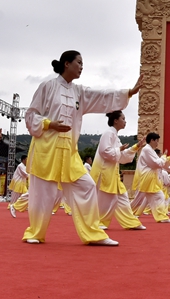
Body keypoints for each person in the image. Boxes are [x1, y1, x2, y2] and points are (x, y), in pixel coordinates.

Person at [22, 50, 140, 245]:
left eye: (82, 63)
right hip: (46, 150)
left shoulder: (79, 92)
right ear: (66, 64)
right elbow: (30, 115)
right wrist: (49, 124)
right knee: (44, 195)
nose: (81, 67)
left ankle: (93, 233)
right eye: (79, 62)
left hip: (69, 151)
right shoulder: (47, 87)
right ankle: (35, 233)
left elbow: (101, 96)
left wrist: (128, 92)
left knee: (87, 186)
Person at [90, 110, 146, 230]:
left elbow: (123, 156)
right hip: (105, 172)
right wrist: (118, 150)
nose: (125, 121)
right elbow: (105, 151)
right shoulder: (108, 133)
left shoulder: (114, 135)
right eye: (123, 119)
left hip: (112, 173)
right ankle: (100, 222)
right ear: (116, 120)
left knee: (122, 197)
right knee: (107, 199)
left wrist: (137, 146)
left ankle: (131, 222)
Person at [132, 133, 170, 223]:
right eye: (157, 141)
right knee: (138, 200)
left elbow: (159, 163)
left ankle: (162, 217)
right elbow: (157, 164)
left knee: (159, 196)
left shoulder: (149, 150)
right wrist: (164, 157)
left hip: (150, 178)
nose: (157, 143)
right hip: (146, 178)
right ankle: (127, 213)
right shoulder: (147, 149)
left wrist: (165, 158)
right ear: (152, 140)